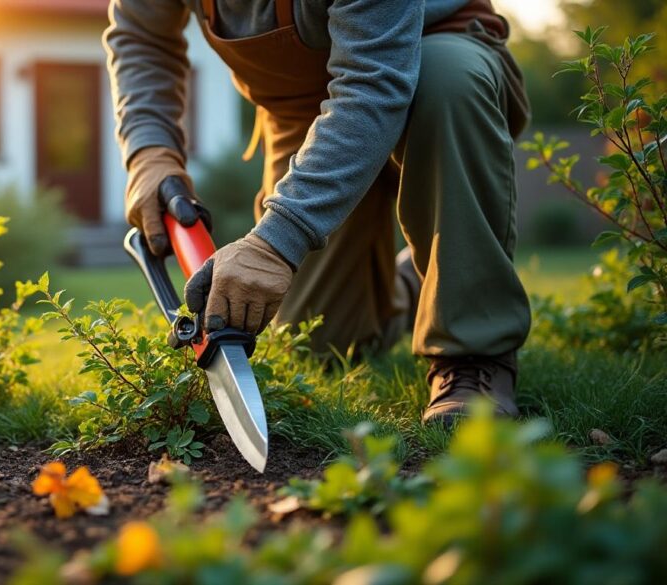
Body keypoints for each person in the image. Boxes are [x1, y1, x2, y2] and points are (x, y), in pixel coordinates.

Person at [105, 0, 532, 424]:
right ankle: (418, 285)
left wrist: (276, 242)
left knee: (446, 81)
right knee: (319, 343)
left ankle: (474, 354)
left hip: (431, 57)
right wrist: (151, 152)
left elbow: (374, 85)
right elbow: (141, 37)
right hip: (306, 115)